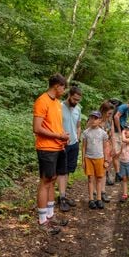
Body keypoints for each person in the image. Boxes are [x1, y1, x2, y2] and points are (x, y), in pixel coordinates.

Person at [32, 73, 70, 234]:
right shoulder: (42, 101)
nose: (64, 91)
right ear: (57, 86)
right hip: (46, 148)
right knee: (45, 181)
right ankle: (42, 221)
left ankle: (50, 215)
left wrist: (63, 136)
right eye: (63, 88)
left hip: (58, 147)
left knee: (53, 180)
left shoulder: (57, 103)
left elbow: (54, 125)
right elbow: (37, 128)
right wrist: (57, 136)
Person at [82, 111, 110, 210]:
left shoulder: (103, 133)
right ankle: (91, 199)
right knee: (90, 178)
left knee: (99, 178)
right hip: (89, 158)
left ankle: (98, 199)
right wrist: (83, 160)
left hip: (100, 158)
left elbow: (105, 147)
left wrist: (106, 160)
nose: (93, 120)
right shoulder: (86, 132)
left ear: (100, 120)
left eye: (96, 118)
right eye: (91, 118)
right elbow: (84, 147)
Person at [60, 85, 82, 211]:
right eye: (74, 99)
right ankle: (61, 197)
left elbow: (78, 125)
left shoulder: (78, 108)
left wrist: (78, 138)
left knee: (68, 170)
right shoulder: (59, 107)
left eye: (78, 100)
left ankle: (63, 195)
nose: (76, 102)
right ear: (69, 95)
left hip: (74, 144)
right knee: (61, 171)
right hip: (61, 144)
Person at [99, 101, 116, 202]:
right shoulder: (96, 119)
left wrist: (114, 147)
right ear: (103, 111)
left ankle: (103, 191)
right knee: (97, 170)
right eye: (109, 113)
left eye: (111, 113)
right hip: (97, 147)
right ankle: (95, 192)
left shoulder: (110, 121)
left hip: (108, 147)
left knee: (105, 169)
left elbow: (113, 134)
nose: (110, 115)